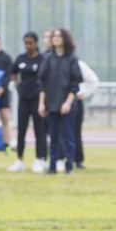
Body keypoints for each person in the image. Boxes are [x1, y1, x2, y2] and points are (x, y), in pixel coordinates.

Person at [37, 28, 82, 175]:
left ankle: (69, 166)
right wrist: (41, 103)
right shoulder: (48, 58)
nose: (55, 38)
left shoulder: (72, 59)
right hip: (51, 104)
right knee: (53, 137)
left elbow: (75, 84)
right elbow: (42, 83)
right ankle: (52, 167)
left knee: (68, 137)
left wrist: (68, 103)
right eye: (54, 36)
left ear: (65, 39)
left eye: (59, 36)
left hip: (67, 106)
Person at [8, 32, 48, 173]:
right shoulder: (20, 58)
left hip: (37, 98)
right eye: (26, 43)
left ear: (36, 43)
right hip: (24, 98)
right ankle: (19, 159)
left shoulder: (42, 59)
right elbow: (13, 72)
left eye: (30, 43)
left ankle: (39, 159)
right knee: (21, 129)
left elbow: (45, 77)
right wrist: (18, 85)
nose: (28, 45)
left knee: (39, 130)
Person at [73, 58, 99, 169]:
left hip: (75, 101)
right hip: (58, 101)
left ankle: (78, 160)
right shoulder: (51, 59)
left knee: (76, 131)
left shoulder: (78, 63)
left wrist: (83, 94)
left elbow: (93, 80)